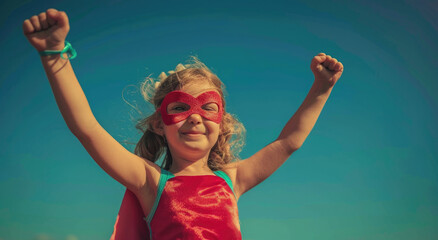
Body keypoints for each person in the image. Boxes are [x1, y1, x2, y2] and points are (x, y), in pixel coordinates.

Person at [23, 8, 344, 240]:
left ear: (222, 123)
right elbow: (87, 129)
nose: (195, 116)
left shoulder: (234, 179)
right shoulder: (149, 181)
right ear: (159, 124)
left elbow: (289, 141)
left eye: (208, 107)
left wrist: (321, 88)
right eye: (180, 107)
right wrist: (55, 56)